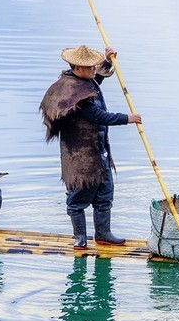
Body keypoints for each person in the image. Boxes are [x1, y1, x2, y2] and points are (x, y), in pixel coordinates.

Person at [39, 44, 141, 249]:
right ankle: (80, 238)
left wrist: (107, 62)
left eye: (95, 67)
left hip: (98, 150)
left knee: (104, 193)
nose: (94, 70)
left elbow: (95, 81)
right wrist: (127, 118)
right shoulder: (70, 89)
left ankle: (103, 234)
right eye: (90, 67)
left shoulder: (85, 82)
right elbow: (98, 116)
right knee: (78, 197)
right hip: (80, 154)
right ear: (77, 68)